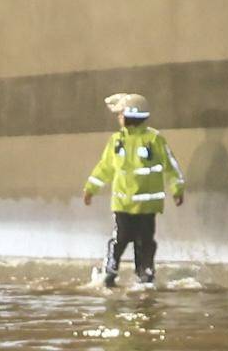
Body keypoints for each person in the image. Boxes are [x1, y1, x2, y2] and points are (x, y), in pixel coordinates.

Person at [79, 91, 184, 288]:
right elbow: (105, 167)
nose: (118, 118)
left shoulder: (154, 139)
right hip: (123, 204)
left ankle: (144, 273)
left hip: (146, 206)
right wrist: (91, 188)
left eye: (120, 114)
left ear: (130, 115)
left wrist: (177, 188)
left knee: (144, 241)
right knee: (121, 238)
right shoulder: (117, 140)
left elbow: (171, 165)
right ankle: (110, 270)